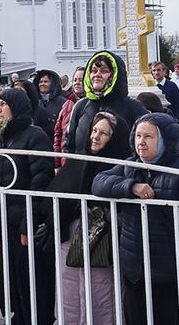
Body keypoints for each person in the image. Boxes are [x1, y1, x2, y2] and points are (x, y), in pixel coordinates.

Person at [93, 113, 179, 325]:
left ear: (165, 139)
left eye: (148, 136)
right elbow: (99, 182)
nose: (141, 142)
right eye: (138, 136)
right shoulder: (130, 166)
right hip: (136, 272)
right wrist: (130, 187)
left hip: (175, 276)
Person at [45, 111, 130, 325]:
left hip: (102, 246)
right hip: (69, 244)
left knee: (102, 300)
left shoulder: (121, 166)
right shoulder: (79, 161)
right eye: (94, 130)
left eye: (104, 133)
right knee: (70, 300)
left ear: (115, 139)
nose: (95, 136)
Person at [0, 88, 54, 325]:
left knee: (31, 282)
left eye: (4, 103)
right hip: (3, 225)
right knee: (10, 281)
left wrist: (27, 224)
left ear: (18, 107)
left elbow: (40, 183)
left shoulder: (35, 136)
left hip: (24, 227)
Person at [63, 51, 148, 158]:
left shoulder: (132, 107)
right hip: (82, 171)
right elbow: (69, 142)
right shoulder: (81, 106)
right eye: (93, 71)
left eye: (104, 71)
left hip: (118, 171)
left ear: (114, 75)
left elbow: (143, 144)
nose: (97, 75)